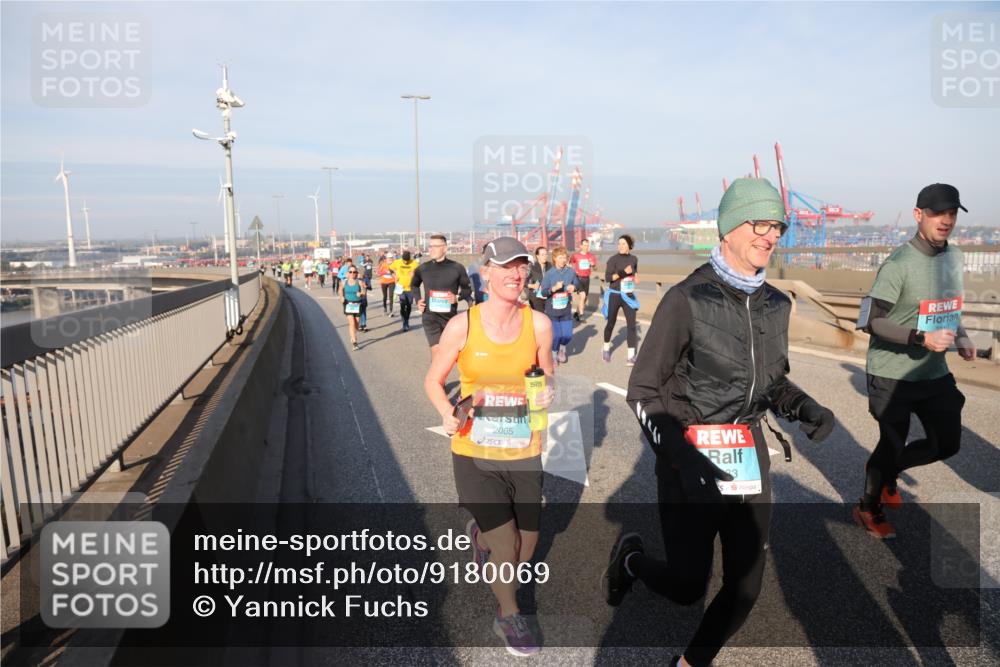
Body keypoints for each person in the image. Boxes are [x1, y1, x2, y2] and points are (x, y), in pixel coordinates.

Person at [605, 177, 835, 667]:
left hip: (748, 458)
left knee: (745, 587)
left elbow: (771, 383)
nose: (771, 235)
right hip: (689, 459)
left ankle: (691, 662)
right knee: (689, 587)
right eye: (760, 223)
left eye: (778, 226)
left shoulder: (776, 304)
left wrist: (804, 407)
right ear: (728, 228)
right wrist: (680, 457)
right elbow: (642, 391)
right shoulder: (685, 299)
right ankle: (632, 560)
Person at [423, 237, 554, 657]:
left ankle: (480, 539)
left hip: (524, 447)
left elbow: (547, 375)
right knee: (506, 546)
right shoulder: (463, 325)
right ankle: (509, 614)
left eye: (522, 268)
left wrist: (547, 391)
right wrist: (446, 411)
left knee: (527, 547)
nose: (516, 275)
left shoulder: (539, 324)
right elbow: (433, 378)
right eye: (507, 268)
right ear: (487, 274)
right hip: (474, 450)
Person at [853, 183, 975, 539]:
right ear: (919, 215)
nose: (946, 220)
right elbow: (871, 321)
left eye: (952, 213)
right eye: (938, 212)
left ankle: (886, 471)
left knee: (946, 443)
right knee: (891, 441)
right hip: (891, 372)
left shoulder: (954, 257)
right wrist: (921, 338)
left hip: (933, 371)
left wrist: (962, 335)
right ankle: (868, 507)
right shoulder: (899, 263)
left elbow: (948, 304)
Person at [410, 234, 473, 356]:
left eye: (435, 246)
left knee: (450, 355)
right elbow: (414, 285)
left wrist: (457, 297)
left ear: (444, 248)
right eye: (430, 246)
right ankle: (435, 375)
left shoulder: (457, 268)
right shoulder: (423, 268)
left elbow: (467, 289)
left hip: (449, 318)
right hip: (430, 316)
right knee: (437, 351)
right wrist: (418, 300)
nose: (431, 249)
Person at [538, 246, 579, 365]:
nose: (563, 260)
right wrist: (554, 288)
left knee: (567, 335)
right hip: (552, 310)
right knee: (556, 336)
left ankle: (562, 349)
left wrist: (574, 287)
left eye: (565, 258)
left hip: (565, 309)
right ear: (554, 259)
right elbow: (543, 292)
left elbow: (577, 283)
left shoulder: (571, 272)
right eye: (560, 258)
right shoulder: (550, 274)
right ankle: (554, 354)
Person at [602, 235, 640, 365]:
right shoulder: (613, 260)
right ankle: (606, 349)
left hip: (628, 295)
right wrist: (624, 272)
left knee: (632, 326)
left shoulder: (634, 259)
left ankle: (631, 356)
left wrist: (635, 278)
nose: (620, 246)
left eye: (623, 244)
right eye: (619, 244)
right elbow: (609, 278)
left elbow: (634, 272)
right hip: (615, 294)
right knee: (611, 323)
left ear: (629, 246)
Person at [390, 250, 419, 332]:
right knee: (403, 305)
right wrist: (394, 276)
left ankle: (407, 320)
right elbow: (390, 269)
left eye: (407, 261)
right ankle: (404, 322)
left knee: (409, 305)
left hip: (410, 288)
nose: (406, 262)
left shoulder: (414, 263)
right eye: (404, 261)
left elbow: (419, 272)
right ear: (402, 258)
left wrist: (415, 274)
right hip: (400, 287)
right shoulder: (397, 262)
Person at [339, 265, 367, 351]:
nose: (352, 274)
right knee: (351, 323)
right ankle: (355, 342)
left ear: (356, 273)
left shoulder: (359, 282)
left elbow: (364, 291)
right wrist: (341, 297)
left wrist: (361, 293)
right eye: (350, 272)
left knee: (356, 325)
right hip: (348, 304)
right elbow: (340, 290)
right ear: (347, 273)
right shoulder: (344, 282)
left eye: (354, 272)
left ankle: (352, 336)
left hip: (357, 304)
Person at [570, 238, 598, 322]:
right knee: (582, 296)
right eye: (584, 245)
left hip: (586, 279)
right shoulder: (575, 255)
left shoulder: (591, 256)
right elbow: (570, 263)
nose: (586, 247)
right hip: (578, 278)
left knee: (585, 298)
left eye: (587, 245)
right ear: (581, 246)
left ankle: (577, 313)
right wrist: (572, 273)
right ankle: (581, 315)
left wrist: (593, 265)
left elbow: (596, 268)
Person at [526, 247, 551, 313]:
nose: (545, 256)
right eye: (542, 255)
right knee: (540, 316)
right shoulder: (531, 267)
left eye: (546, 254)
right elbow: (523, 281)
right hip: (536, 297)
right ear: (537, 256)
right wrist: (532, 286)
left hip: (548, 296)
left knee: (549, 317)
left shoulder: (550, 266)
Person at [377, 252, 397, 316]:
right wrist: (385, 272)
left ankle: (391, 311)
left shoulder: (395, 264)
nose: (390, 259)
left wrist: (394, 272)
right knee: (385, 296)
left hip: (392, 282)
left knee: (391, 296)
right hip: (384, 282)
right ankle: (385, 309)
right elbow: (378, 273)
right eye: (389, 258)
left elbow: (397, 272)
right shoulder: (383, 264)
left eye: (391, 258)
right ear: (387, 258)